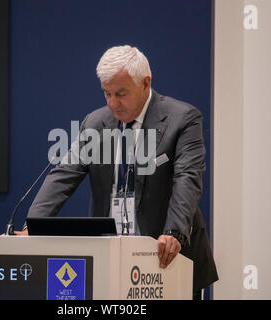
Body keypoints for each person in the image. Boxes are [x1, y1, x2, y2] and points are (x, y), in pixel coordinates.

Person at [15, 45, 218, 299]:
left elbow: (187, 178)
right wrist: (32, 227)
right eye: (106, 93)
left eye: (121, 93)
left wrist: (174, 231)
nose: (113, 103)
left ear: (145, 83)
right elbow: (63, 175)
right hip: (109, 259)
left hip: (166, 257)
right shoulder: (95, 123)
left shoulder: (183, 118)